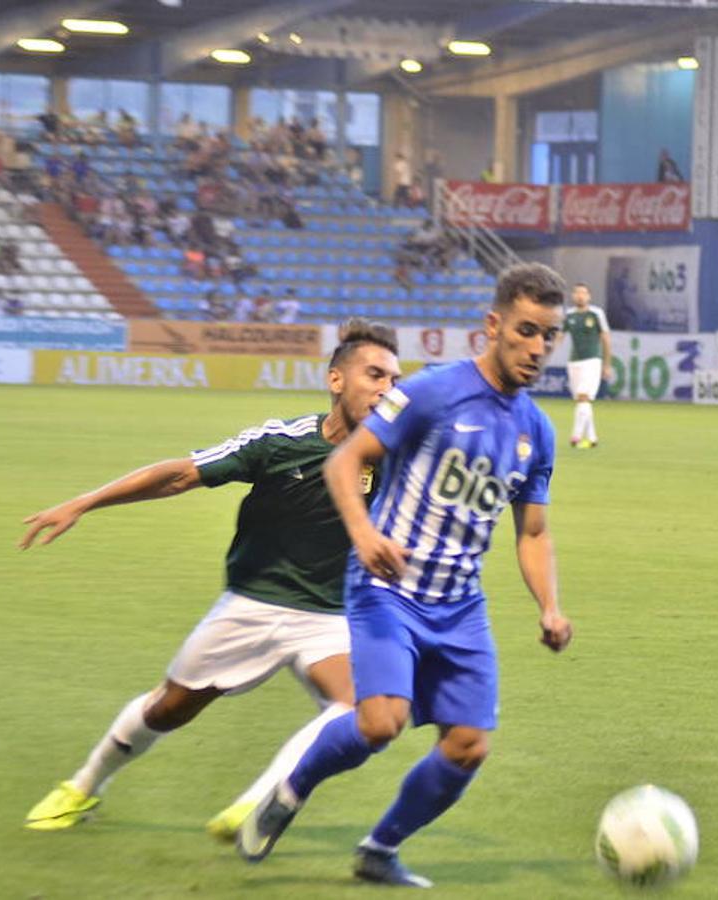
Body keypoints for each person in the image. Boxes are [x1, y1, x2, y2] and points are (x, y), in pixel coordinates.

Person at [236, 263, 575, 887]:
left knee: (470, 744)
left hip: (459, 606)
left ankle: (379, 850)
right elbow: (345, 461)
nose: (538, 347)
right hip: (388, 592)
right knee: (380, 723)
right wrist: (364, 535)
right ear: (494, 324)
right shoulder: (431, 392)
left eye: (549, 335)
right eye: (527, 331)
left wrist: (549, 607)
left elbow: (533, 532)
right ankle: (290, 789)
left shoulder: (538, 431)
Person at [20, 321, 403, 838]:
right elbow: (181, 474)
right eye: (374, 374)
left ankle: (260, 801)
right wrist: (86, 502)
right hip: (251, 604)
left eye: (394, 379)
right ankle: (83, 787)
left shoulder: (396, 455)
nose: (386, 388)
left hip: (330, 617)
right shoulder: (280, 442)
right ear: (336, 380)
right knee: (168, 709)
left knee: (358, 709)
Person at [563, 282, 612, 449]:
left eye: (583, 293)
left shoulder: (596, 314)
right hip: (574, 362)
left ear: (589, 296)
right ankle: (592, 438)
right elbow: (559, 336)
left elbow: (605, 338)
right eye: (577, 293)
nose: (580, 296)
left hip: (592, 361)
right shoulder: (569, 315)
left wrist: (607, 364)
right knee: (582, 401)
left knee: (584, 397)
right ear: (572, 296)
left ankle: (575, 436)